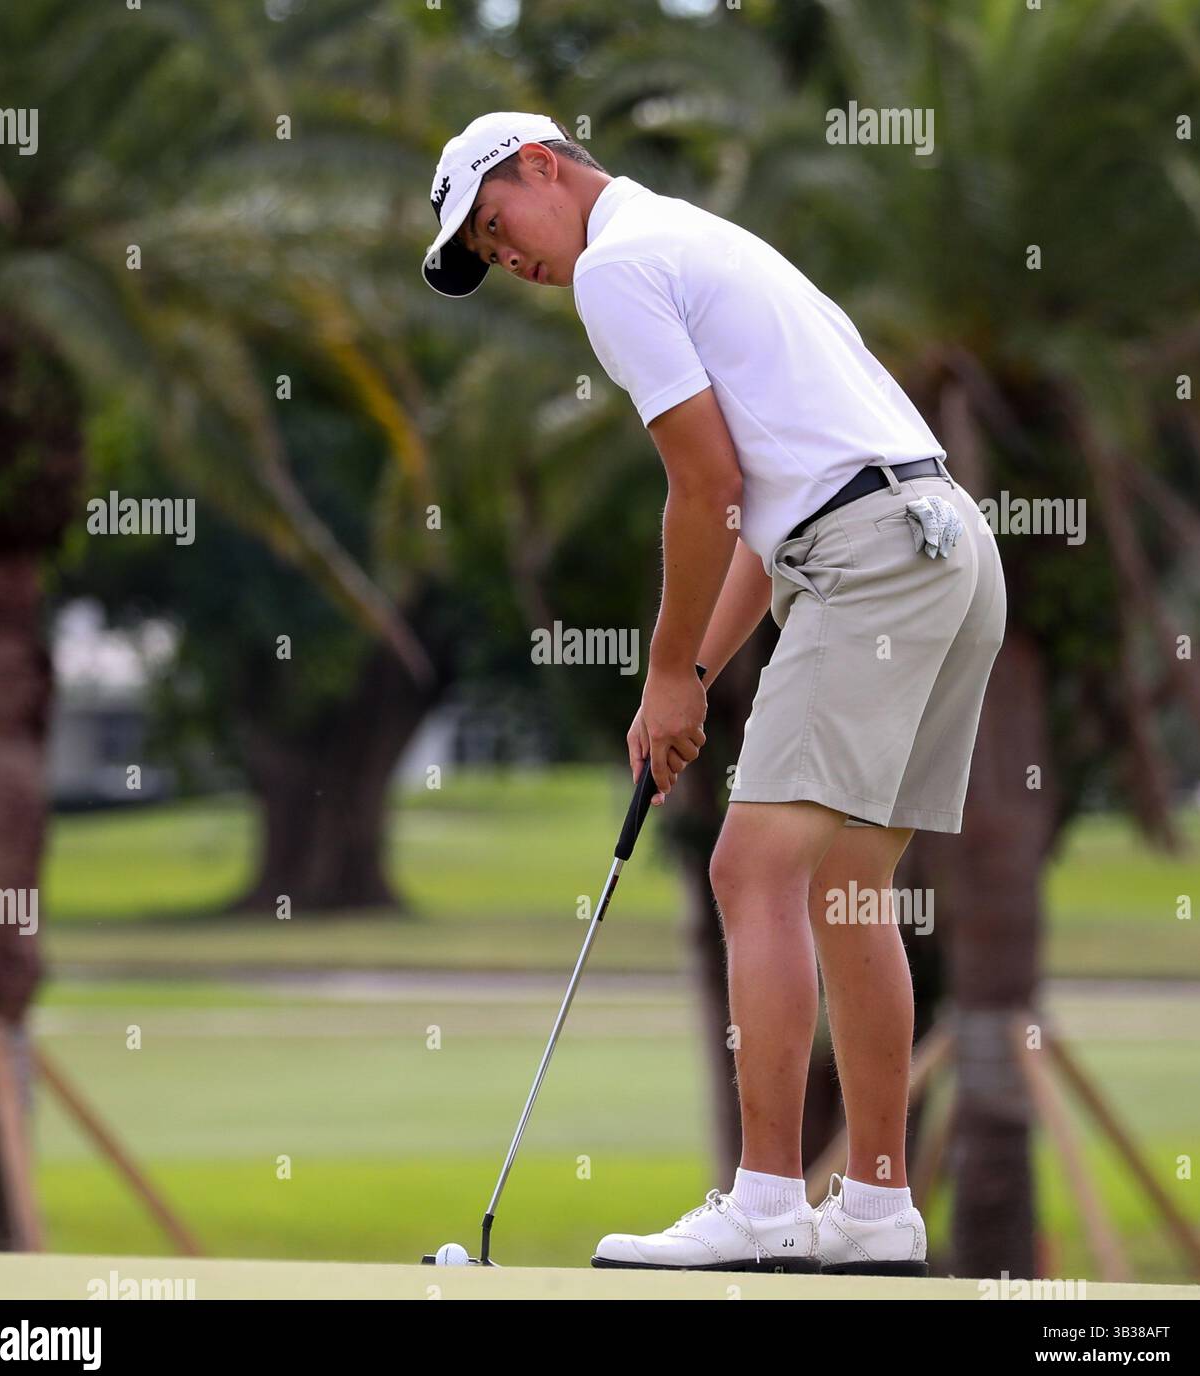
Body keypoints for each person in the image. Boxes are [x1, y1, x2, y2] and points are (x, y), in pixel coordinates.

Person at [421, 112, 1006, 1274]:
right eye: (487, 257)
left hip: (872, 557)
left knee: (748, 867)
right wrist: (683, 678)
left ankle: (768, 1202)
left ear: (543, 165)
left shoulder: (620, 267)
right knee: (846, 886)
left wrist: (664, 669)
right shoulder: (697, 241)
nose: (512, 261)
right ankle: (876, 1207)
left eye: (496, 227)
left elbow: (706, 486)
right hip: (946, 550)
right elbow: (762, 506)